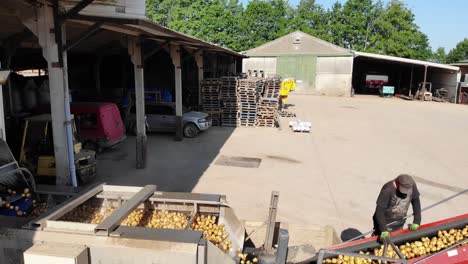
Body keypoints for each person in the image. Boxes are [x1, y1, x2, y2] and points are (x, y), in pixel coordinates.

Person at [373, 174, 421, 241]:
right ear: (397, 183)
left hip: (400, 222)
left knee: (396, 241)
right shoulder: (387, 190)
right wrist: (383, 230)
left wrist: (417, 221)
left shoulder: (411, 185)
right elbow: (379, 212)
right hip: (385, 223)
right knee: (381, 242)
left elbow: (416, 201)